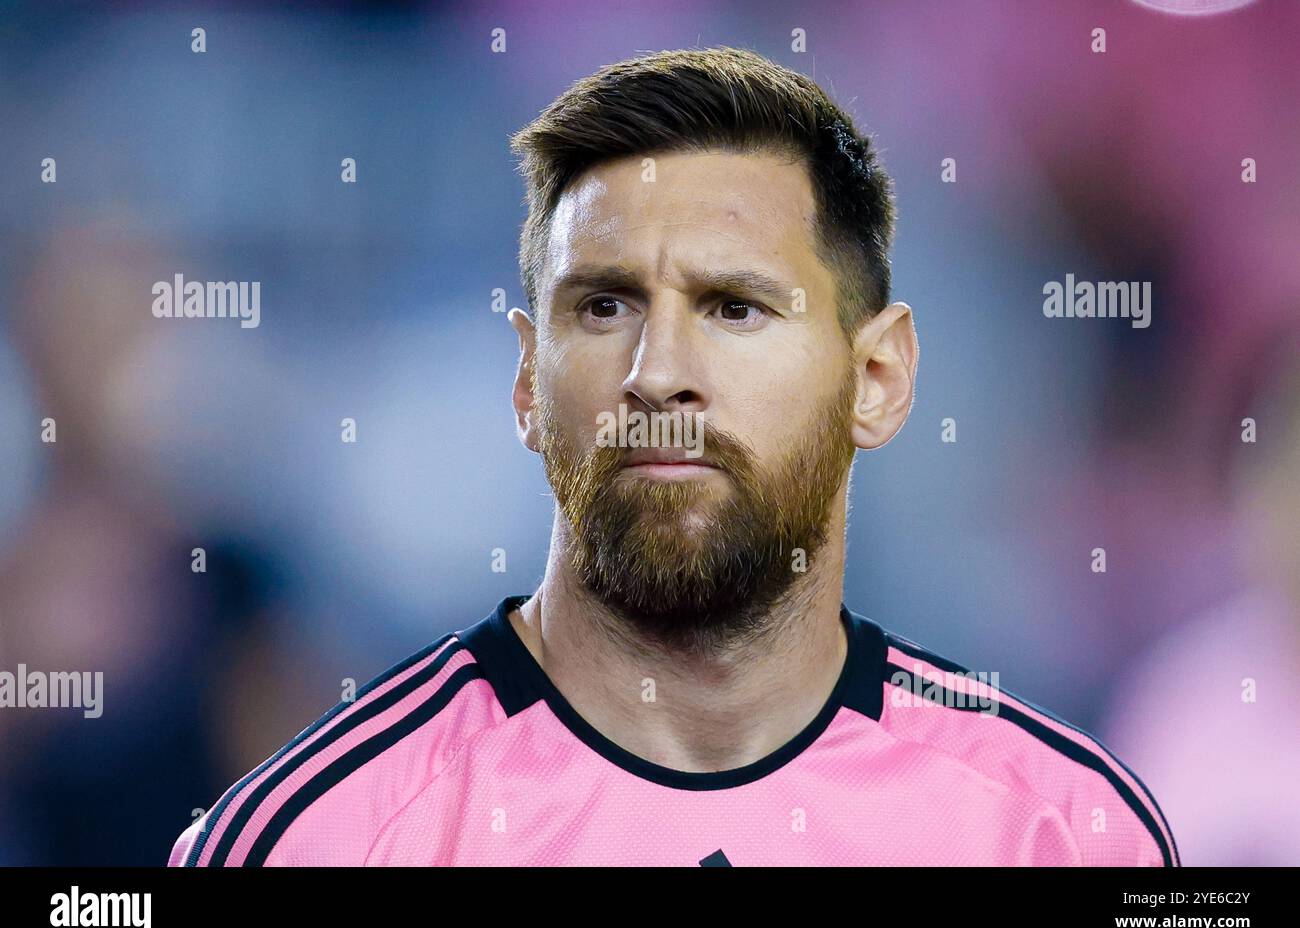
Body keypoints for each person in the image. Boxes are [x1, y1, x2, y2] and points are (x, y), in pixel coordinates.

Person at [170, 46, 1176, 866]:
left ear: (876, 378)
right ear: (527, 380)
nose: (658, 374)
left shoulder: (1062, 832)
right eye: (604, 306)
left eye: (733, 307)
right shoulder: (318, 841)